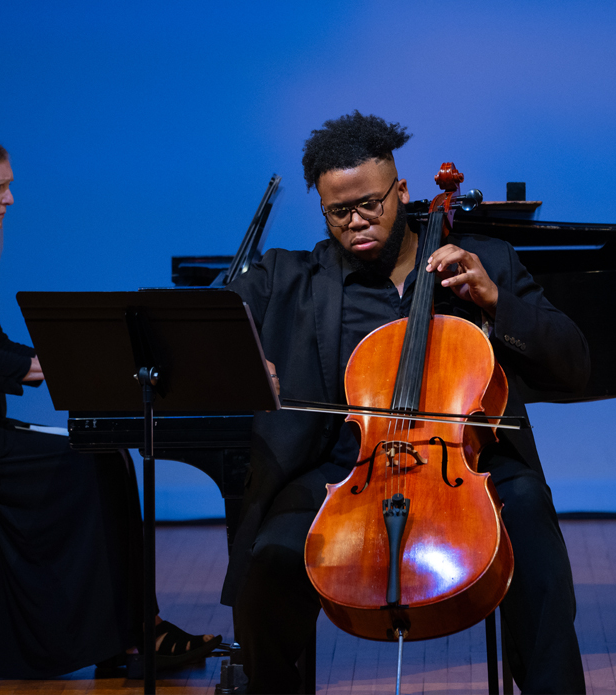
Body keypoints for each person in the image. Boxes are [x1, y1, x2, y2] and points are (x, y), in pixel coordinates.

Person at [221, 112, 590, 694]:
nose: (357, 223)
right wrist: (238, 362)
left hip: (466, 465)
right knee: (270, 565)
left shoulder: (482, 262)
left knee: (530, 530)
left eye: (370, 204)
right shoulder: (291, 277)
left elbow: (573, 364)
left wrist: (496, 303)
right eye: (338, 212)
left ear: (402, 191)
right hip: (341, 471)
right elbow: (213, 324)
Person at [0, 133, 218, 679]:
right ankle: (113, 638)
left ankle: (129, 631)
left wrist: (66, 362)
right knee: (91, 460)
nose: (10, 199)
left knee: (108, 455)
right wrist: (72, 369)